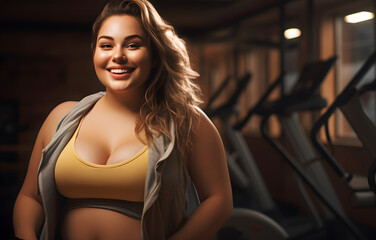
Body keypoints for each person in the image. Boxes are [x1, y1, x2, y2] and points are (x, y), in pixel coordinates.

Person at [12, 0, 233, 239]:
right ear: (94, 53)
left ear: (156, 56)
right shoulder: (62, 117)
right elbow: (30, 197)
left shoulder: (185, 121)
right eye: (106, 45)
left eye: (133, 45)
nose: (118, 56)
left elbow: (219, 201)